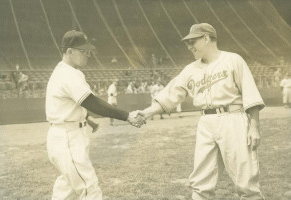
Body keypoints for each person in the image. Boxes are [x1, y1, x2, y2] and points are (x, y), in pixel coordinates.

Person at [138, 23, 265, 199]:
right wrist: (148, 112)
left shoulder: (233, 60)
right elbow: (171, 94)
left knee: (246, 182)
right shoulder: (190, 69)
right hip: (206, 122)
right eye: (188, 43)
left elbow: (251, 95)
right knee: (201, 182)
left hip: (233, 118)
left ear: (206, 38)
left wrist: (254, 127)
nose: (189, 47)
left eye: (192, 42)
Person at [45, 30, 145, 200]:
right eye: (83, 51)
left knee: (67, 190)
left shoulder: (64, 71)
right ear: (69, 51)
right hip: (67, 137)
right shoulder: (68, 74)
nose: (88, 55)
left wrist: (88, 119)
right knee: (90, 189)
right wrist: (127, 116)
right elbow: (92, 103)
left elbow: (70, 106)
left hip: (65, 135)